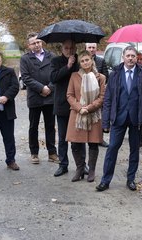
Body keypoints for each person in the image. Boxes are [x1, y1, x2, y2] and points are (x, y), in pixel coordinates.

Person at [96, 46, 142, 192]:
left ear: (137, 58)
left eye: (132, 56)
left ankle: (131, 179)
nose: (130, 58)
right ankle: (105, 180)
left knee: (134, 150)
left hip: (137, 119)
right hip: (118, 118)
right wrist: (106, 122)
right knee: (112, 148)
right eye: (127, 55)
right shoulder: (115, 74)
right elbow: (108, 99)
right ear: (123, 57)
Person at [66, 50, 105, 182]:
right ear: (80, 63)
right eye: (82, 61)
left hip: (93, 114)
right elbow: (69, 95)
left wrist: (88, 108)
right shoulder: (74, 76)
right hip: (77, 114)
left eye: (87, 59)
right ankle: (80, 168)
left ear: (92, 60)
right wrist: (79, 108)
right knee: (75, 144)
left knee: (93, 144)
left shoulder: (101, 77)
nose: (85, 62)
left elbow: (102, 97)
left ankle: (92, 170)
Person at [20, 32, 58, 164]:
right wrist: (41, 88)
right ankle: (34, 153)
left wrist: (50, 88)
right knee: (33, 126)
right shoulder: (25, 59)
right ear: (29, 45)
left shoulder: (51, 56)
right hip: (35, 97)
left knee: (50, 126)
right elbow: (25, 78)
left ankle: (52, 153)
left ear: (41, 42)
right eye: (33, 43)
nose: (36, 45)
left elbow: (56, 75)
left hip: (50, 97)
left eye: (38, 42)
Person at [50, 39, 86, 177]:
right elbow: (53, 78)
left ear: (75, 48)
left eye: (72, 48)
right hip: (62, 104)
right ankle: (63, 164)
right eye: (66, 48)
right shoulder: (56, 61)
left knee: (79, 137)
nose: (69, 50)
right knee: (63, 137)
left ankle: (82, 165)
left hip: (78, 105)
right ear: (62, 49)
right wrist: (68, 66)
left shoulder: (81, 60)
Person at [85, 42, 109, 148]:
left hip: (98, 93)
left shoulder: (101, 60)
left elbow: (106, 76)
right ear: (86, 48)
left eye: (93, 47)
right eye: (89, 47)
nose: (91, 49)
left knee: (99, 117)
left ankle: (99, 138)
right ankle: (85, 137)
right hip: (85, 93)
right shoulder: (81, 60)